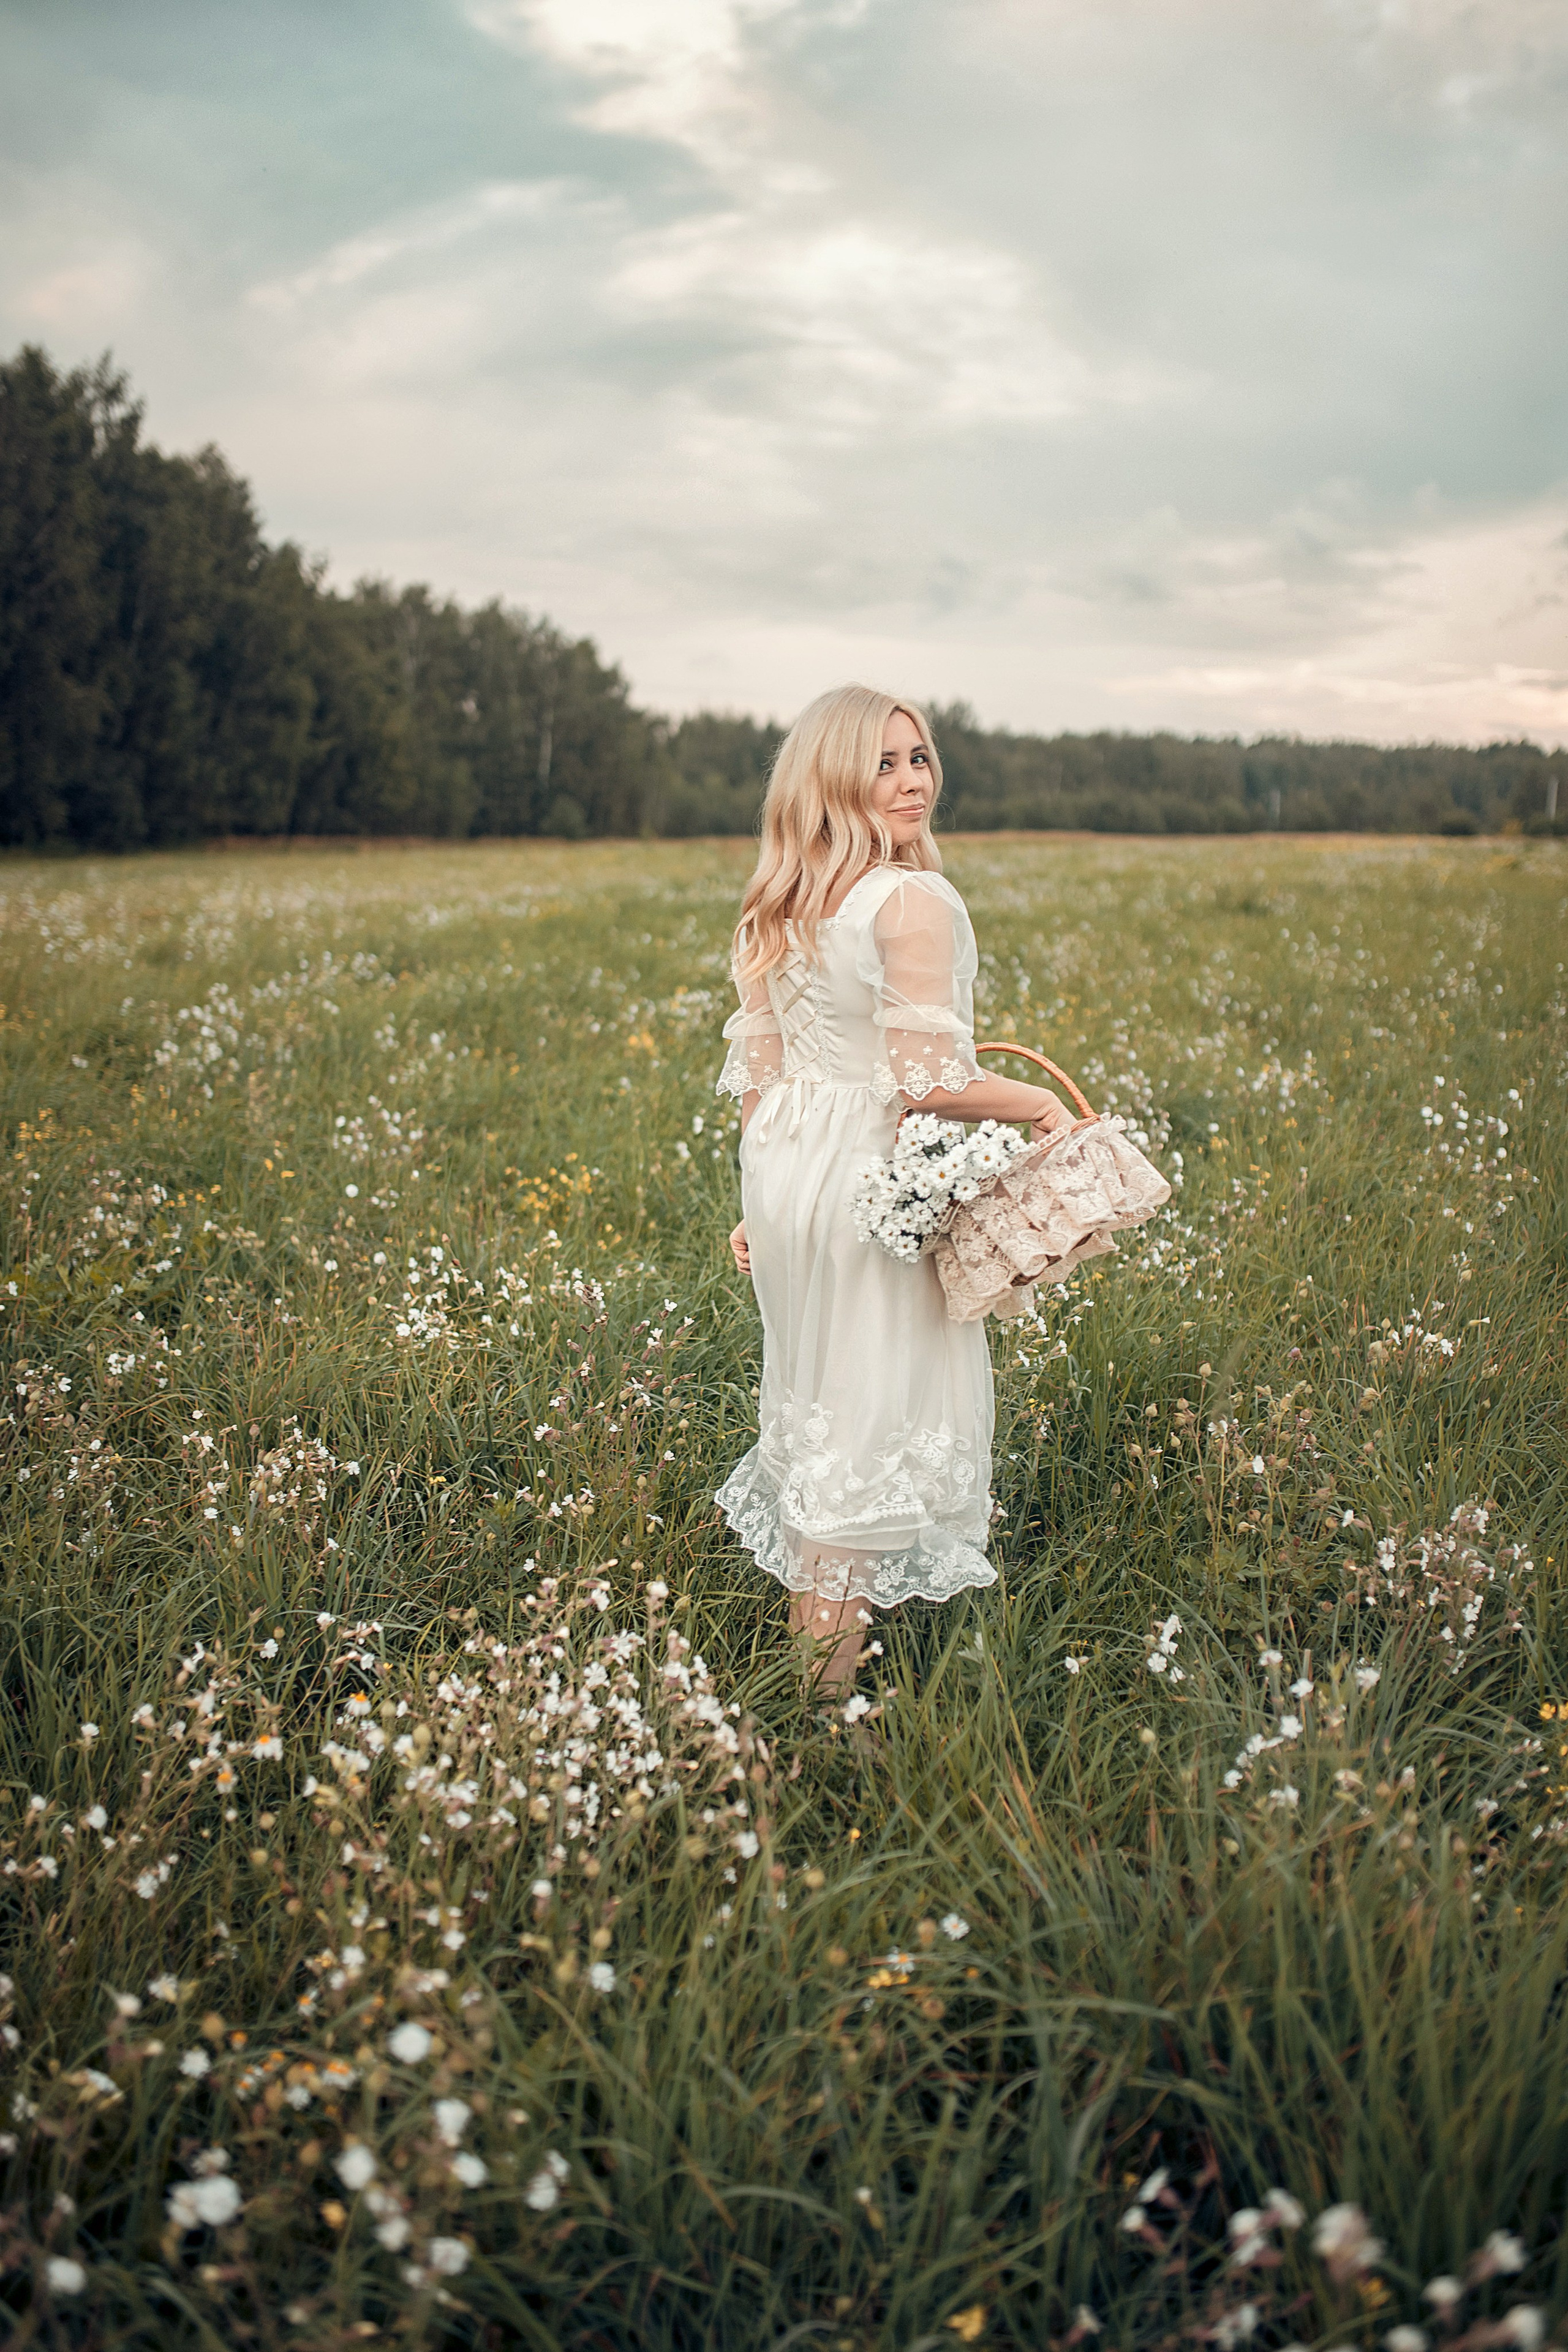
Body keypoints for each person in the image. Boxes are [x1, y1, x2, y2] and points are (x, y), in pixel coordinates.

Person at [713, 684, 1072, 1693]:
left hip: (790, 1174)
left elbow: (763, 1075)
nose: (911, 780)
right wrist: (1038, 1105)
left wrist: (758, 1204)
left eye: (918, 758)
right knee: (864, 1418)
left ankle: (814, 1656)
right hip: (868, 1179)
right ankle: (822, 1703)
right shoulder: (908, 901)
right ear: (831, 776)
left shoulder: (776, 902)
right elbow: (931, 1082)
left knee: (821, 1399)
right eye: (882, 763)